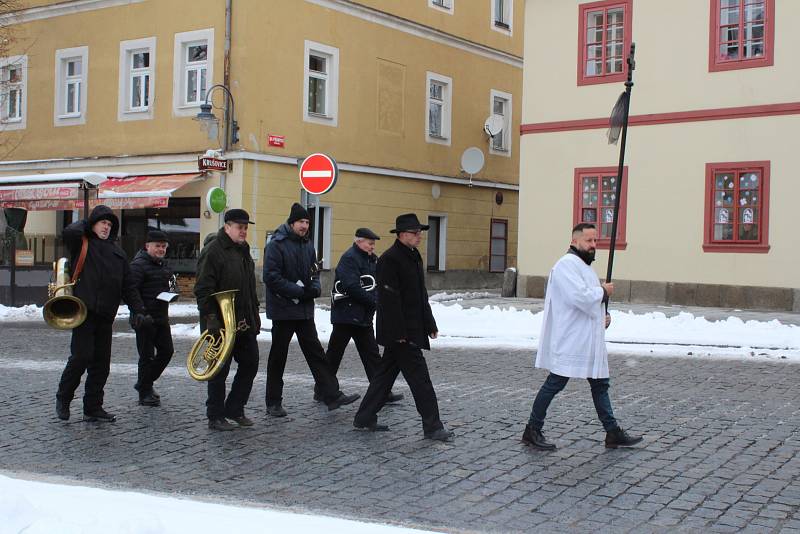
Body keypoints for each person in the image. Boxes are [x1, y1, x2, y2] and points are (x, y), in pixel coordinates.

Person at [522, 222, 643, 450]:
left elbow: (589, 303)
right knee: (555, 382)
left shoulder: (583, 266)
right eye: (588, 240)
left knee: (600, 384)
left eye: (595, 240)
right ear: (574, 241)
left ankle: (612, 432)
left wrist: (604, 317)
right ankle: (532, 429)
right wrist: (603, 291)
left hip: (586, 340)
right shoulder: (566, 265)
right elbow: (580, 297)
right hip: (571, 339)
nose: (593, 245)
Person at [353, 213, 452, 442]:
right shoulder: (390, 259)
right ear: (402, 235)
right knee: (420, 380)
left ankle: (364, 416)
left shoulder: (413, 256)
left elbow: (420, 294)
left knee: (384, 376)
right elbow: (388, 300)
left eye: (420, 233)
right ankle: (433, 426)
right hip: (401, 332)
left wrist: (429, 322)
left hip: (411, 328)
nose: (419, 237)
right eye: (415, 233)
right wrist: (398, 333)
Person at [263, 202, 360, 417]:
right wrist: (298, 292)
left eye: (307, 222)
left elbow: (314, 272)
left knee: (316, 354)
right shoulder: (276, 244)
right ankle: (273, 402)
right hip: (283, 310)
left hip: (304, 310)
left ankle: (331, 395)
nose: (304, 226)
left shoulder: (308, 244)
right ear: (291, 223)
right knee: (278, 357)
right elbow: (270, 277)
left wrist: (315, 287)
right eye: (301, 222)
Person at [55, 204, 147, 423]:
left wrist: (139, 310)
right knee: (80, 357)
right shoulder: (82, 243)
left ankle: (93, 407)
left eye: (109, 223)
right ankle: (63, 397)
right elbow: (68, 232)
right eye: (102, 222)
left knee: (101, 365)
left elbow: (129, 287)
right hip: (84, 313)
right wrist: (87, 224)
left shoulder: (119, 254)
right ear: (93, 224)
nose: (106, 227)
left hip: (106, 315)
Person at [317, 227, 403, 404]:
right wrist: (374, 302)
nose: (372, 247)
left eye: (373, 244)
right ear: (359, 242)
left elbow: (376, 283)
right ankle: (322, 390)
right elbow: (351, 286)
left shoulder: (371, 259)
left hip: (362, 316)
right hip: (346, 315)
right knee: (334, 355)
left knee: (372, 355)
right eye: (370, 243)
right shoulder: (349, 258)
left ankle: (382, 392)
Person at [194, 209, 261, 431]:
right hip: (220, 323)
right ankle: (215, 416)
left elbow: (249, 289)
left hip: (243, 322)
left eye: (245, 227)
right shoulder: (213, 251)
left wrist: (254, 317)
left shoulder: (243, 251)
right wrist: (211, 320)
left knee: (250, 363)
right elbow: (203, 289)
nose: (243, 231)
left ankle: (235, 408)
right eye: (239, 227)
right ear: (227, 226)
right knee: (218, 370)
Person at [129, 230, 174, 407]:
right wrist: (141, 312)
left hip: (161, 316)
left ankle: (144, 384)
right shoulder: (137, 266)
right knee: (146, 356)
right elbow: (131, 292)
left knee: (166, 352)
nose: (161, 249)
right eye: (157, 246)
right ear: (147, 246)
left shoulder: (163, 265)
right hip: (144, 318)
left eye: (164, 246)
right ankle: (144, 392)